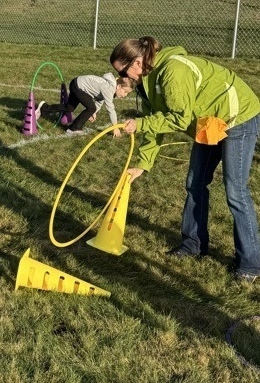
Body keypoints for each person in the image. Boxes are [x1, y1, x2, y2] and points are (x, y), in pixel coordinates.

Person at [110, 36, 260, 283]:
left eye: (124, 71)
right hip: (208, 122)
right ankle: (193, 245)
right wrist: (143, 164)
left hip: (238, 116)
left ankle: (250, 265)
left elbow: (179, 118)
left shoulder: (173, 71)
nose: (124, 78)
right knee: (195, 184)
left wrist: (140, 123)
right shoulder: (146, 83)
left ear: (138, 62)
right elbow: (153, 125)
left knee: (235, 191)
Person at [37, 74, 134, 136]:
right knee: (90, 107)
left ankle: (44, 108)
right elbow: (110, 109)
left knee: (69, 108)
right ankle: (73, 129)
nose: (125, 95)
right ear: (119, 86)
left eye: (127, 94)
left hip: (76, 83)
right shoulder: (109, 88)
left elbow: (100, 100)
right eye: (125, 92)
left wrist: (94, 112)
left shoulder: (110, 88)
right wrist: (115, 127)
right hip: (78, 86)